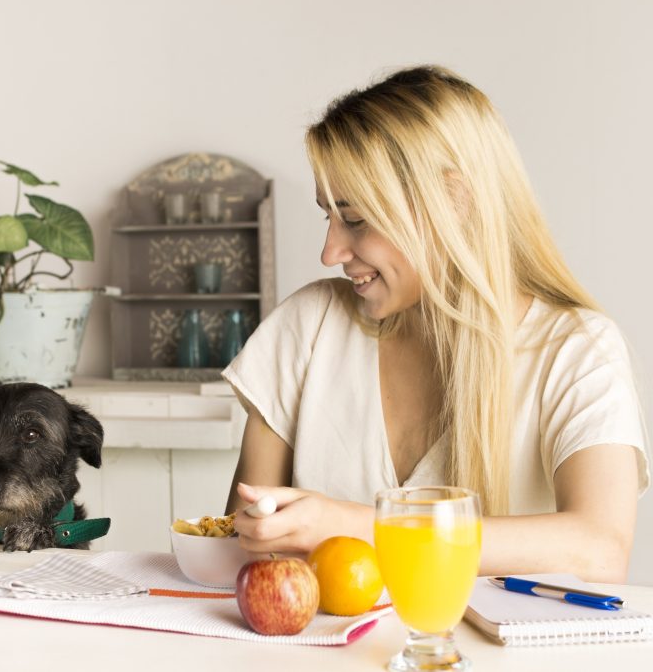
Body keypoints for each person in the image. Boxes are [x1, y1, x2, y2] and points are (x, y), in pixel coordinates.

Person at [223, 65, 649, 583]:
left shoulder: (577, 351)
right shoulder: (307, 326)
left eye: (356, 219)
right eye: (327, 216)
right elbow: (238, 553)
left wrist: (356, 526)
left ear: (455, 199)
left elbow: (598, 550)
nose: (330, 251)